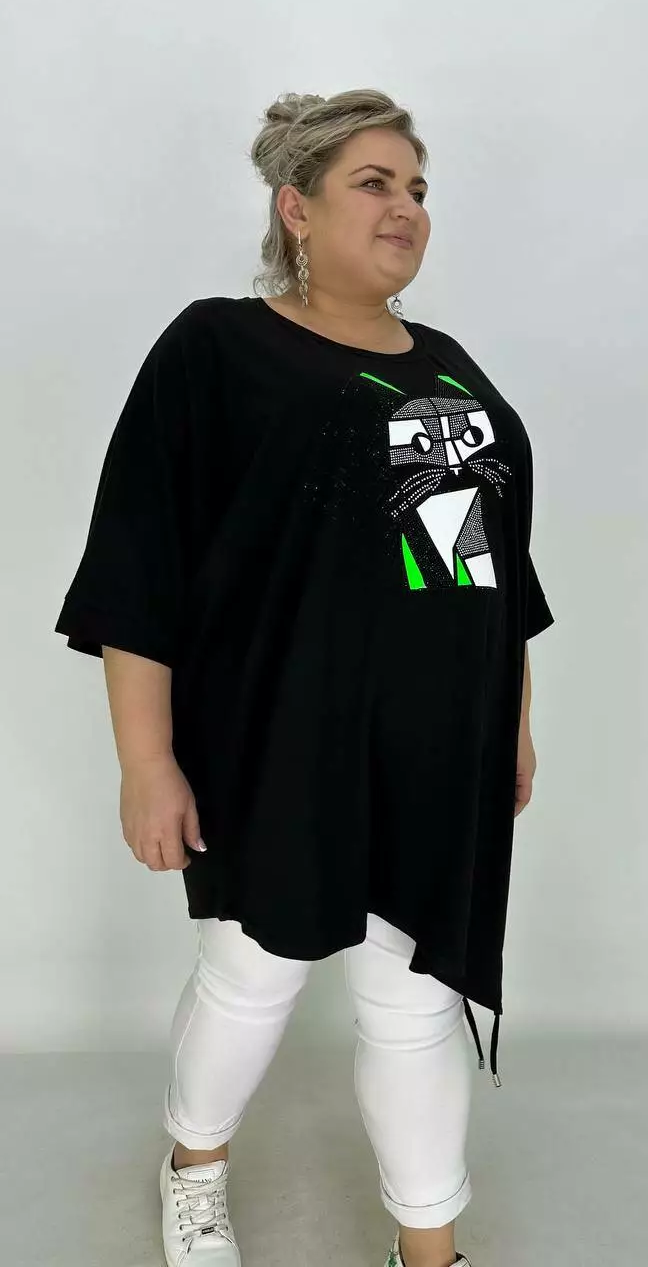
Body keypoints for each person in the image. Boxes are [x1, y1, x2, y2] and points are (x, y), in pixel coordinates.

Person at [54, 88, 555, 1267]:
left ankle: (429, 1249)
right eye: (374, 183)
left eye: (417, 188)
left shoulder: (446, 370)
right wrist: (146, 759)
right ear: (296, 206)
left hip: (434, 750)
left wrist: (512, 721)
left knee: (417, 994)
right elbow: (142, 560)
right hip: (274, 736)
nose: (406, 208)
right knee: (255, 970)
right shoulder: (217, 349)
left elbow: (473, 569)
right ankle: (194, 1166)